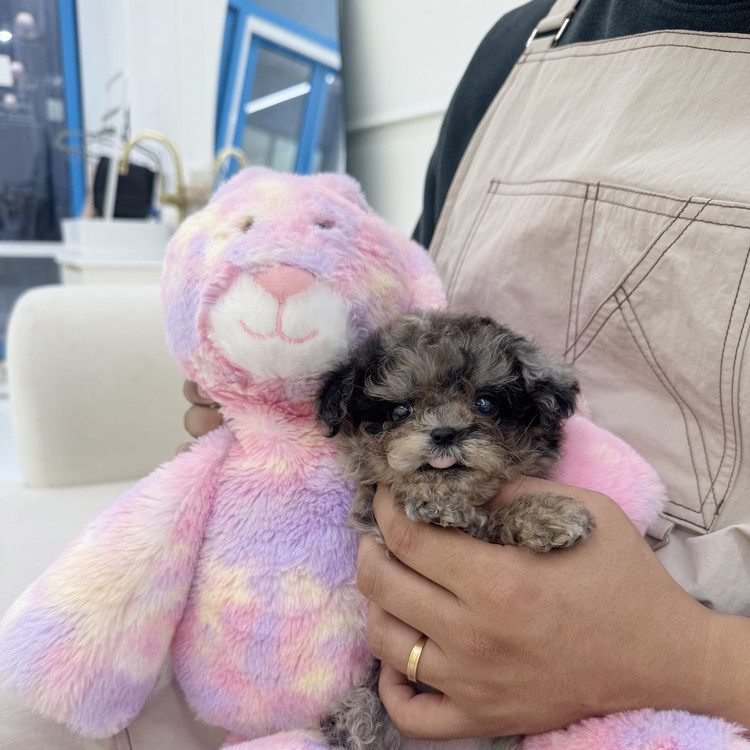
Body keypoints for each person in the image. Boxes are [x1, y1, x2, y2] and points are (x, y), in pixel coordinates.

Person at [188, 0, 750, 740]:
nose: (447, 429)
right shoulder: (515, 48)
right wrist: (263, 396)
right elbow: (401, 309)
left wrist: (698, 661)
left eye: (482, 406)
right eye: (405, 411)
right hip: (353, 648)